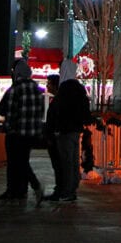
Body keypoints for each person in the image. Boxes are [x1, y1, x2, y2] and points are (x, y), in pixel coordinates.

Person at [0, 59, 45, 204]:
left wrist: (9, 127)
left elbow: (7, 111)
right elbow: (41, 112)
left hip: (16, 133)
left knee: (15, 162)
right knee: (23, 160)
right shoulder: (37, 89)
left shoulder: (15, 89)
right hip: (31, 134)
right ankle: (21, 190)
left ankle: (29, 186)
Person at [46, 59, 91, 203]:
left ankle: (67, 191)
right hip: (75, 130)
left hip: (65, 131)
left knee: (66, 161)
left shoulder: (65, 89)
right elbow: (85, 110)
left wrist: (58, 128)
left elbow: (61, 111)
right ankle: (71, 189)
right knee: (72, 161)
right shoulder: (79, 88)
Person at [43, 74, 62, 196]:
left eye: (49, 83)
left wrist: (51, 136)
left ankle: (60, 189)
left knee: (58, 165)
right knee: (58, 165)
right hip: (54, 137)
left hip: (55, 138)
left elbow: (54, 121)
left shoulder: (57, 102)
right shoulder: (57, 100)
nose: (47, 86)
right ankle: (60, 188)